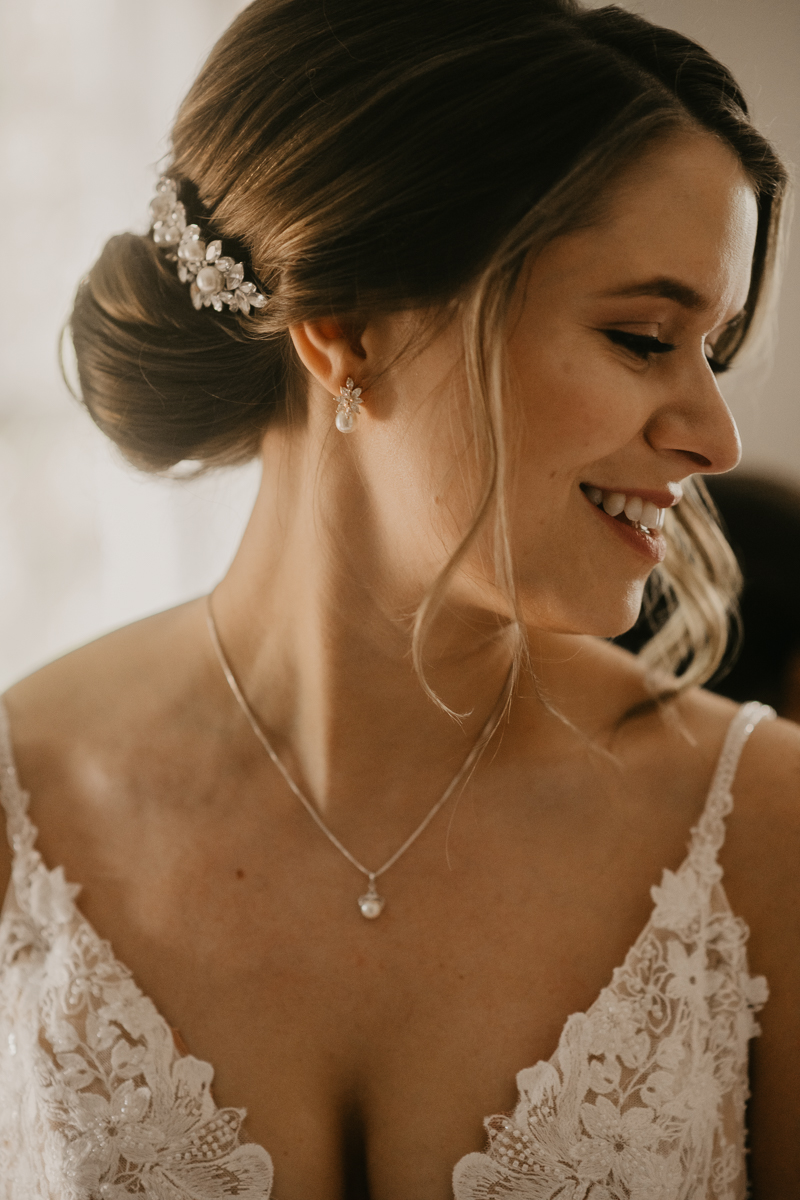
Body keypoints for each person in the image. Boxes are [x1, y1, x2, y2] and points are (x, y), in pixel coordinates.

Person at [0, 1, 798, 1196]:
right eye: (641, 337)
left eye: (712, 352)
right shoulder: (24, 809)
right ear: (347, 327)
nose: (714, 438)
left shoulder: (762, 831)